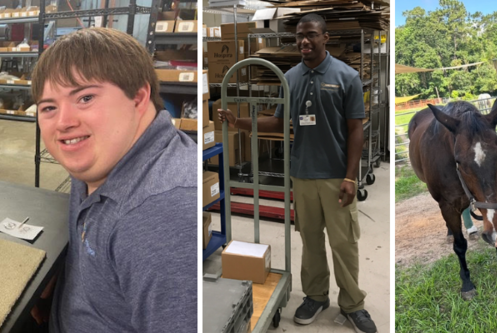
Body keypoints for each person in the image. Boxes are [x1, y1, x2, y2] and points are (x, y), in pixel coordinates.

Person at [217, 14, 377, 333]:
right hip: (302, 175)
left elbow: (356, 129)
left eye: (311, 35)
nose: (304, 41)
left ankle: (352, 304)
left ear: (325, 37)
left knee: (344, 243)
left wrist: (350, 177)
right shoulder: (290, 76)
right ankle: (316, 296)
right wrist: (239, 122)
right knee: (311, 240)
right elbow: (278, 123)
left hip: (335, 175)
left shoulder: (347, 76)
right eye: (299, 36)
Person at [30, 27, 197, 332]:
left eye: (85, 97)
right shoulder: (104, 157)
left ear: (139, 96)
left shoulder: (159, 216)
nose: (64, 122)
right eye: (49, 108)